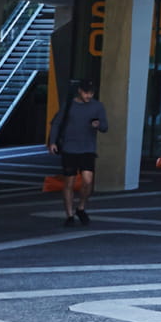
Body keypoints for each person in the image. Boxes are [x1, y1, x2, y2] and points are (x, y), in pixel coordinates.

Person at [48, 80, 109, 227]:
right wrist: (52, 142)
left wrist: (98, 125)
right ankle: (69, 215)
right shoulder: (69, 105)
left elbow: (105, 126)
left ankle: (81, 207)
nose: (89, 95)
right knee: (69, 182)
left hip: (88, 148)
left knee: (88, 181)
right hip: (70, 148)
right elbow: (56, 123)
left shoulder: (98, 106)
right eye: (86, 92)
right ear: (80, 91)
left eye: (91, 93)